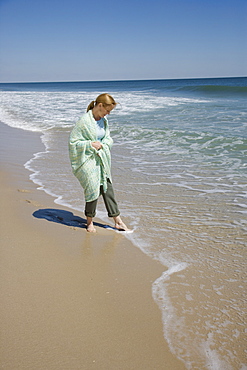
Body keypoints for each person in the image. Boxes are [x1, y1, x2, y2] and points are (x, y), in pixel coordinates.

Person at [69, 93, 131, 233]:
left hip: (101, 158)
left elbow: (108, 138)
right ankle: (89, 221)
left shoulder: (103, 121)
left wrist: (103, 145)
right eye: (107, 111)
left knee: (107, 187)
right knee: (93, 188)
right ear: (100, 106)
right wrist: (90, 144)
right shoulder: (84, 121)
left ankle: (118, 221)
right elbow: (73, 142)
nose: (108, 114)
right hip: (88, 160)